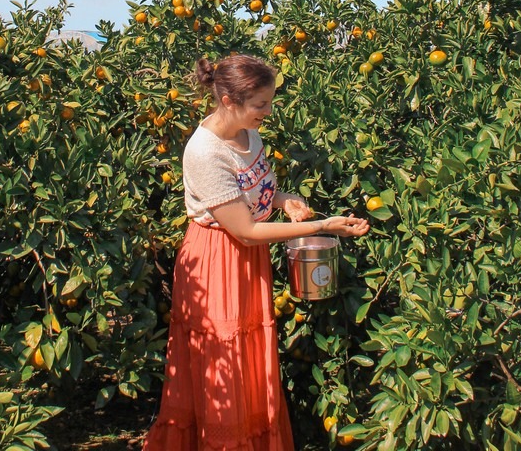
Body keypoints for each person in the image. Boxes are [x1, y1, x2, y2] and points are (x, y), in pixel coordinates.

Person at [143, 54, 370, 450]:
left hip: (249, 261)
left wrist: (286, 201)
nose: (268, 112)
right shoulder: (205, 153)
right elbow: (245, 230)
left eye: (269, 102)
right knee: (225, 366)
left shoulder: (251, 135)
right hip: (218, 263)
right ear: (229, 101)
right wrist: (321, 225)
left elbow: (256, 196)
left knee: (248, 364)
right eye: (260, 104)